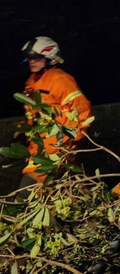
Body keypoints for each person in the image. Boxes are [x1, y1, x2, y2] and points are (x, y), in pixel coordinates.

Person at [18, 36, 92, 185]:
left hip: (56, 150)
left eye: (37, 58)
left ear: (50, 58)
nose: (32, 61)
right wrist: (23, 130)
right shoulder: (32, 81)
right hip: (38, 148)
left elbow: (83, 111)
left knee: (27, 190)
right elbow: (32, 111)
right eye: (29, 58)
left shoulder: (61, 80)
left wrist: (71, 142)